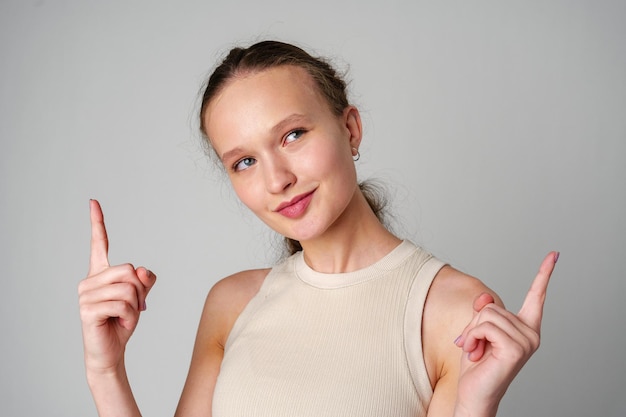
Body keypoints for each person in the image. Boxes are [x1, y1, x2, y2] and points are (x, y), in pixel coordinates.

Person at [78, 40, 558, 417]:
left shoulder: (453, 310)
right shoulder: (231, 304)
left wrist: (477, 408)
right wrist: (106, 370)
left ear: (350, 129)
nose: (277, 179)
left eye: (292, 135)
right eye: (244, 161)